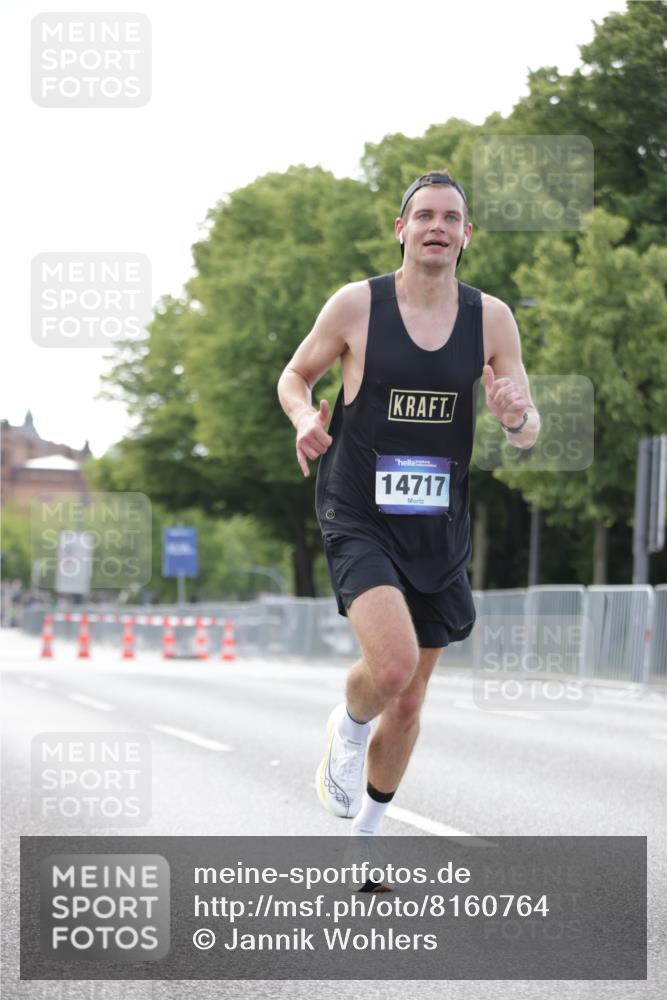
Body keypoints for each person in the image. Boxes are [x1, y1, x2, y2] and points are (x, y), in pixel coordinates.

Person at [277, 170, 540, 838]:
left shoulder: (491, 318)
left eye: (450, 218)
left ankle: (363, 841)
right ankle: (347, 724)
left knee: (411, 698)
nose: (436, 227)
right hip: (357, 510)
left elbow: (527, 426)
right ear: (401, 229)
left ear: (465, 235)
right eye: (423, 215)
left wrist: (514, 418)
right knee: (390, 669)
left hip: (436, 522)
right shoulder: (356, 307)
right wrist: (305, 416)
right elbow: (294, 374)